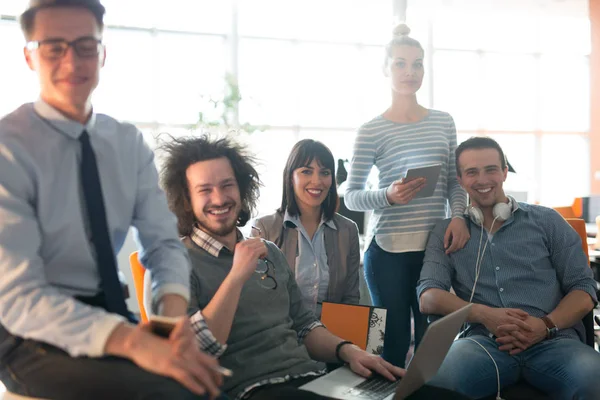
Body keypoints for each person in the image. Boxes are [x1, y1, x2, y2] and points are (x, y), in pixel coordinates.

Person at [0, 1, 223, 399]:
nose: (72, 61)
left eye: (86, 45)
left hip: (110, 313)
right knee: (175, 394)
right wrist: (136, 344)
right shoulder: (8, 148)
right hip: (27, 332)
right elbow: (18, 296)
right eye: (54, 47)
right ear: (29, 56)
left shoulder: (126, 142)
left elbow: (163, 243)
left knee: (206, 384)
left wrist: (171, 323)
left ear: (102, 53)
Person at [159, 134, 469, 400]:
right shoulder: (174, 261)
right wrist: (238, 274)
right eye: (205, 190)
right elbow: (193, 350)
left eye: (228, 185)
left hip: (312, 376)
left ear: (241, 190)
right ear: (186, 199)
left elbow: (305, 324)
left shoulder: (269, 253)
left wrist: (350, 352)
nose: (220, 198)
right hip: (255, 388)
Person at [418, 136, 600, 399]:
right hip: (483, 344)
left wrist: (545, 325)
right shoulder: (446, 232)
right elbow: (429, 297)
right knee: (432, 383)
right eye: (472, 172)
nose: (482, 180)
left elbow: (584, 290)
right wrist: (484, 315)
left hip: (554, 341)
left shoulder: (547, 221)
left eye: (491, 169)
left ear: (505, 172)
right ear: (460, 180)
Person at [344, 23, 469, 367]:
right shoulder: (371, 130)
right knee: (391, 343)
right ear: (385, 69)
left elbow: (453, 184)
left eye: (417, 64)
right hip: (386, 252)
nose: (410, 72)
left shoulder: (443, 122)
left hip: (435, 248)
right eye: (400, 63)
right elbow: (351, 195)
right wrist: (388, 195)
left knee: (434, 344)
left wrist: (458, 216)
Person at [250, 139, 360, 317]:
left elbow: (350, 300)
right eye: (306, 171)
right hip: (284, 333)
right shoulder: (265, 228)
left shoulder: (348, 230)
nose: (317, 181)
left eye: (324, 172)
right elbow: (260, 298)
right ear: (290, 177)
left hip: (331, 334)